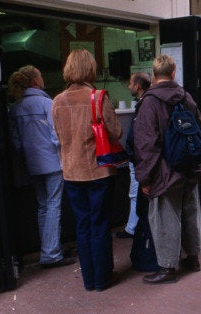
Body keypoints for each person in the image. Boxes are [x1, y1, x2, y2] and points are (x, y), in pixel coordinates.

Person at [52, 49, 120, 291]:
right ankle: (102, 279)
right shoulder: (98, 97)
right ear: (90, 68)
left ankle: (89, 280)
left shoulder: (57, 100)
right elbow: (116, 132)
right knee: (100, 224)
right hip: (98, 171)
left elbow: (59, 137)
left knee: (82, 225)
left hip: (71, 172)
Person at [134, 55, 201, 284]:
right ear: (174, 73)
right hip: (190, 166)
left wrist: (145, 178)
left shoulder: (150, 101)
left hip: (165, 170)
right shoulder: (186, 97)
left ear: (154, 75)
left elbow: (146, 144)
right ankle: (192, 258)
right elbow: (198, 128)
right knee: (190, 212)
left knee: (166, 217)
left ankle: (167, 267)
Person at [8, 65, 74, 269]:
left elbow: (16, 142)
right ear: (36, 81)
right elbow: (57, 136)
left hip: (32, 164)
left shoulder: (15, 108)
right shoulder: (47, 103)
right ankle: (51, 254)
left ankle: (48, 249)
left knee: (43, 206)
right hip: (53, 163)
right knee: (54, 206)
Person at [116, 72, 151, 239]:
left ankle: (133, 227)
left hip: (137, 158)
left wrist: (131, 152)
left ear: (138, 86)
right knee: (136, 193)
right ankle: (134, 225)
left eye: (131, 83)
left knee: (135, 193)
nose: (129, 86)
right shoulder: (144, 103)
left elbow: (136, 135)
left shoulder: (143, 105)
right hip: (139, 157)